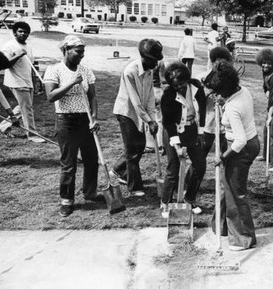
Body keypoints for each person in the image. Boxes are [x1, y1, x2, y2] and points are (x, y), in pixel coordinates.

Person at [43, 35, 104, 217]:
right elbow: (51, 96)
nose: (81, 55)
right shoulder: (54, 70)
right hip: (66, 121)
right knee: (69, 164)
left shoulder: (85, 71)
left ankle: (90, 192)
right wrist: (71, 82)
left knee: (91, 160)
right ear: (66, 50)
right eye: (78, 51)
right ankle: (66, 201)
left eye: (83, 51)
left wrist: (94, 117)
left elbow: (92, 96)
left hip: (85, 121)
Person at [210, 60, 260, 251]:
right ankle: (221, 226)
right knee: (226, 187)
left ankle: (244, 238)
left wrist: (222, 157)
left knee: (235, 193)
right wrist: (222, 102)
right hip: (251, 140)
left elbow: (239, 141)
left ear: (226, 89)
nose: (217, 95)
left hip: (242, 148)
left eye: (219, 92)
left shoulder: (233, 108)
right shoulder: (243, 91)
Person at [110, 39, 162, 197]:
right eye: (154, 60)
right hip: (126, 112)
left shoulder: (150, 70)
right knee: (133, 150)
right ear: (145, 58)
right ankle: (134, 186)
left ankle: (117, 170)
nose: (156, 64)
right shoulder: (130, 71)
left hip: (140, 112)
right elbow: (136, 102)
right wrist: (149, 120)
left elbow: (150, 97)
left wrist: (153, 118)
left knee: (139, 146)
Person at [160, 62, 206, 218]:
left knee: (200, 165)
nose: (179, 88)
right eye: (175, 86)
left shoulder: (197, 89)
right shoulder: (168, 95)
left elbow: (203, 110)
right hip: (174, 132)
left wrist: (200, 132)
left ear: (187, 79)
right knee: (174, 169)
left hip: (192, 131)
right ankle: (165, 203)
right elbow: (167, 122)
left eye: (181, 84)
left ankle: (190, 198)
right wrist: (176, 144)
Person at [1, 21, 44, 143]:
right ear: (14, 33)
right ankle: (32, 135)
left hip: (27, 81)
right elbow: (4, 64)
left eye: (26, 32)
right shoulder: (8, 46)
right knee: (27, 109)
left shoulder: (28, 47)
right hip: (16, 81)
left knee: (23, 107)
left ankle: (3, 126)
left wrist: (34, 82)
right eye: (20, 31)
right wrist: (18, 55)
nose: (23, 34)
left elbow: (30, 67)